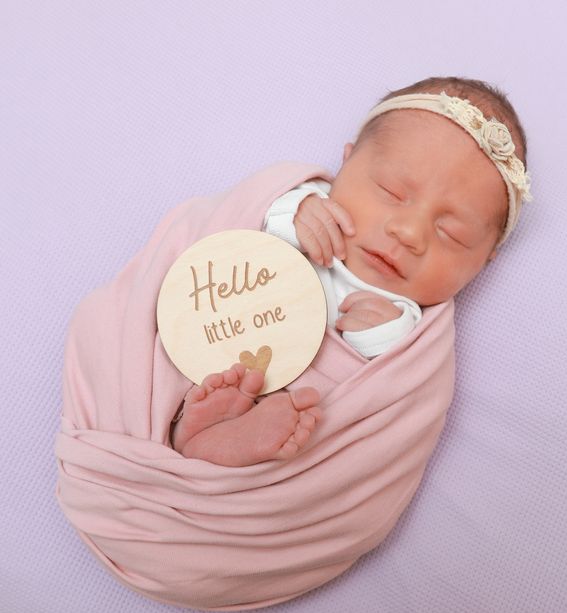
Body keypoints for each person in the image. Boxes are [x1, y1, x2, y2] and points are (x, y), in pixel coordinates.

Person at [169, 76, 532, 467]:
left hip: (299, 427)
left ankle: (227, 436)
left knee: (306, 415)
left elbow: (394, 412)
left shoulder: (410, 337)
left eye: (451, 233)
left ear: (485, 261)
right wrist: (288, 212)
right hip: (213, 348)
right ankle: (192, 422)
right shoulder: (300, 207)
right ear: (347, 161)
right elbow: (225, 229)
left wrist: (384, 339)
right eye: (392, 192)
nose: (409, 233)